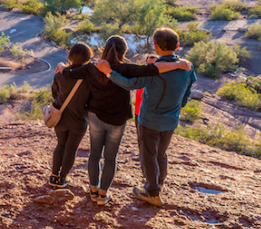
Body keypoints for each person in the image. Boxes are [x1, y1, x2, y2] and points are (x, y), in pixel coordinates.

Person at [58, 37, 190, 206]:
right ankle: (103, 194)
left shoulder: (92, 67)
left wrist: (61, 66)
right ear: (124, 52)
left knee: (95, 154)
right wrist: (178, 64)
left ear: (104, 48)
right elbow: (154, 70)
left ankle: (93, 190)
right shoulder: (126, 69)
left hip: (95, 116)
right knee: (111, 157)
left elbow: (68, 74)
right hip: (117, 119)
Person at [99, 28, 197, 207]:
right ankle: (158, 184)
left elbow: (130, 84)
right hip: (171, 119)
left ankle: (152, 192)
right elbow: (189, 88)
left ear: (156, 47)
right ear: (177, 46)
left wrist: (109, 73)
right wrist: (180, 106)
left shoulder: (154, 71)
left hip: (150, 119)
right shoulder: (187, 67)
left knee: (149, 155)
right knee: (161, 153)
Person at [49, 43, 93, 188]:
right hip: (79, 119)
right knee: (71, 149)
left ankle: (53, 176)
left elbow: (54, 94)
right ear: (88, 58)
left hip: (61, 117)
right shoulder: (89, 78)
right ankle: (62, 179)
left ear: (70, 56)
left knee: (60, 145)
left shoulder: (60, 75)